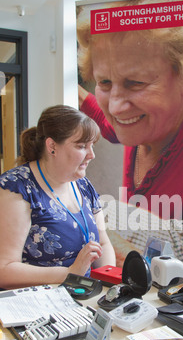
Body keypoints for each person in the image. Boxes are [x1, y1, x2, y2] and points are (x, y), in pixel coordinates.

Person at [76, 0, 183, 268]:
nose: (117, 108)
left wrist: (97, 233)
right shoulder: (142, 124)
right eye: (105, 82)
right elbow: (110, 126)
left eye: (136, 83)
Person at [0, 105, 116, 289]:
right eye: (81, 146)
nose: (92, 155)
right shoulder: (17, 187)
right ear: (52, 146)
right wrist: (69, 273)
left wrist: (109, 284)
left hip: (83, 296)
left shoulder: (84, 185)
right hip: (38, 303)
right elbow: (4, 270)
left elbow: (103, 242)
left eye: (92, 145)